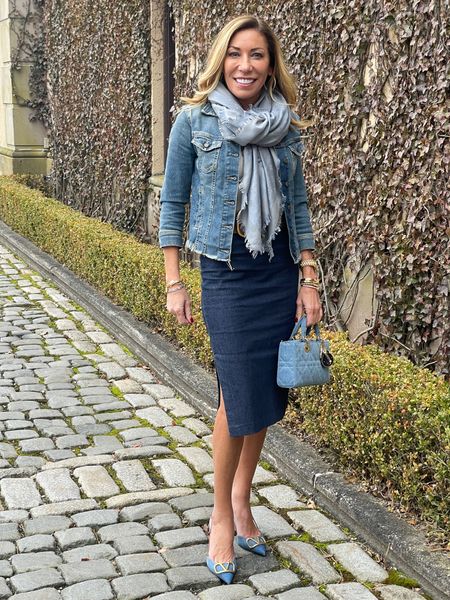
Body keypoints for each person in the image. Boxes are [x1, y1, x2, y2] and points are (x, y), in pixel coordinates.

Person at [159, 14, 323, 584]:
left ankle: (243, 498)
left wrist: (308, 278)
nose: (245, 66)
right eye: (235, 54)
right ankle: (220, 516)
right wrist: (175, 280)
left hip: (276, 270)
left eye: (257, 55)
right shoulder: (194, 121)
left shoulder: (287, 127)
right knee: (236, 395)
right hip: (226, 274)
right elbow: (172, 205)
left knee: (266, 394)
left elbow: (298, 209)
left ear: (270, 64)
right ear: (220, 60)